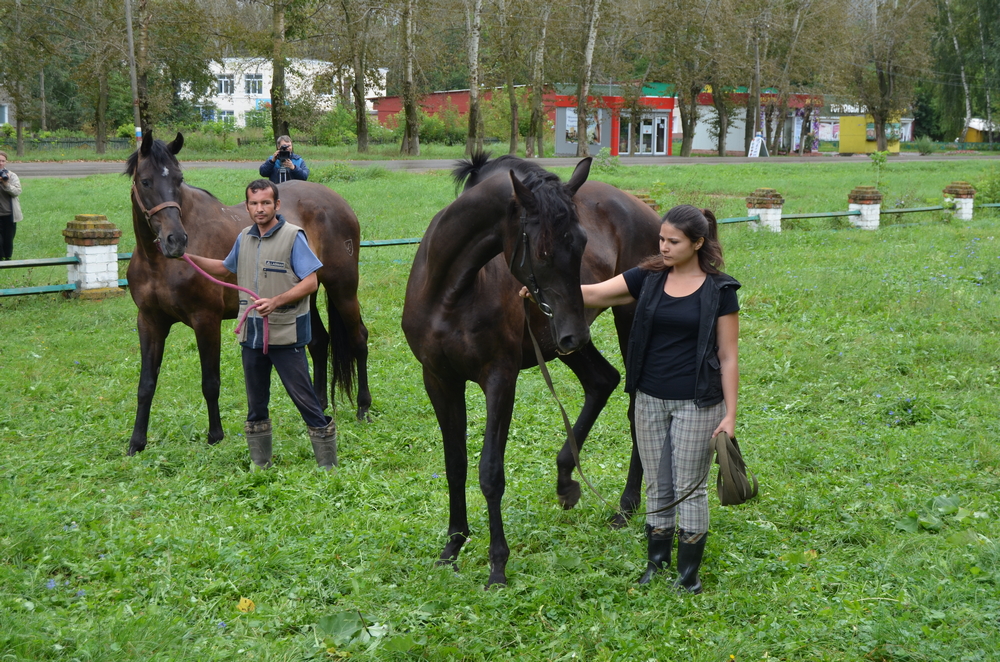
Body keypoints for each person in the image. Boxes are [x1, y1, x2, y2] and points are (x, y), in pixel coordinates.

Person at [525, 204, 739, 593]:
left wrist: (731, 414)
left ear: (697, 243)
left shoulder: (721, 290)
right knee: (658, 485)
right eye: (661, 239)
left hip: (699, 402)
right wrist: (542, 290)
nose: (664, 247)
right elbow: (591, 293)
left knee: (689, 486)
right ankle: (655, 563)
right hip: (649, 399)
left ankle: (688, 576)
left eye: (673, 242)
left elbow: (728, 357)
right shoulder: (648, 277)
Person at [185, 179, 336, 470]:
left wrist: (277, 301)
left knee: (306, 402)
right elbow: (223, 267)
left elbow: (311, 282)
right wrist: (186, 256)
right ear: (247, 206)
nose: (259, 209)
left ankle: (328, 466)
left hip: (286, 334)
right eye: (253, 203)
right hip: (252, 336)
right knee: (256, 406)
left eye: (266, 203)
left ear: (276, 205)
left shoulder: (294, 237)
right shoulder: (244, 237)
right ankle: (260, 463)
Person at [0, 151, 23, 260]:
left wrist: (6, 184)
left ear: (6, 162)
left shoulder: (12, 176)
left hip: (9, 214)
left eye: (3, 161)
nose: (0, 163)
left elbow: (17, 192)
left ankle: (8, 259)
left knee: (8, 239)